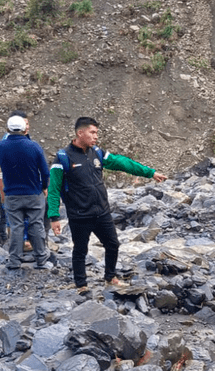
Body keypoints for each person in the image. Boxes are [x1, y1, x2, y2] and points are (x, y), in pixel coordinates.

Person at [47, 117, 167, 295]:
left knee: (113, 244)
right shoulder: (63, 158)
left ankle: (110, 277)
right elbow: (54, 188)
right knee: (80, 250)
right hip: (79, 214)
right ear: (80, 133)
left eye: (96, 133)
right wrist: (54, 216)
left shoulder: (97, 153)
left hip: (101, 212)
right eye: (92, 132)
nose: (96, 137)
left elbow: (122, 163)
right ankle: (81, 284)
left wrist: (150, 173)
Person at [0, 115, 51, 270]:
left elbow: (0, 164)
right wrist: (44, 186)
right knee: (36, 225)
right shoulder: (34, 146)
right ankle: (41, 260)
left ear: (8, 129)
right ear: (25, 129)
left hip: (12, 194)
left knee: (16, 227)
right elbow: (45, 172)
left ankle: (14, 261)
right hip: (33, 193)